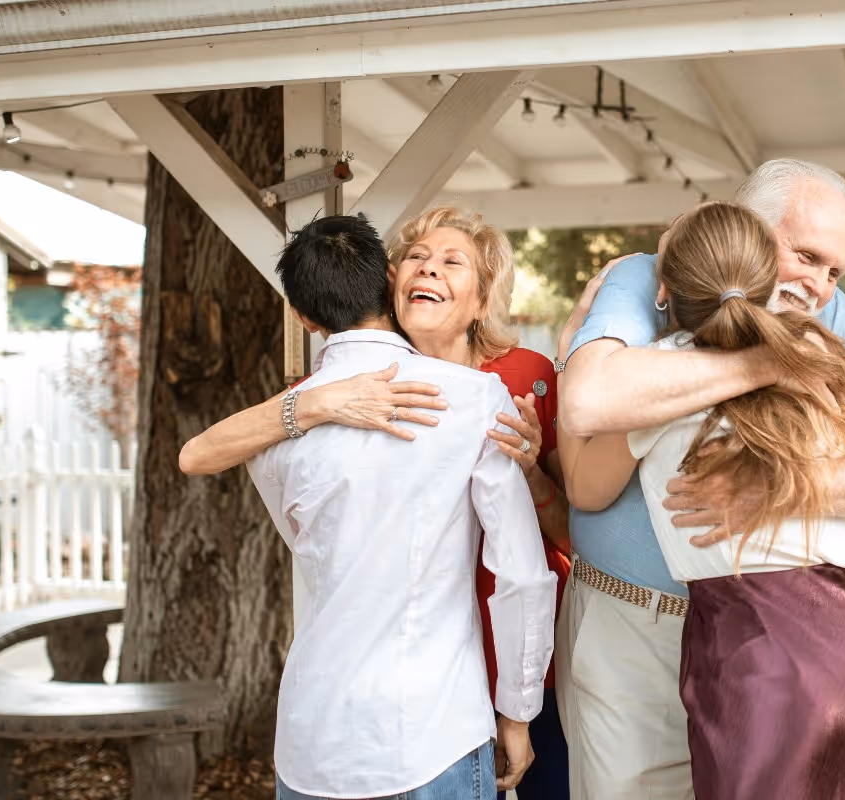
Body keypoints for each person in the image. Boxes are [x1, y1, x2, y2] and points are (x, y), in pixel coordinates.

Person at [553, 159, 845, 799]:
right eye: (806, 255)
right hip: (640, 630)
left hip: (759, 650)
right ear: (747, 228)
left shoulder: (831, 319)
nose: (819, 287)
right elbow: (589, 403)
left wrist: (768, 489)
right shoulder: (645, 277)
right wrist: (770, 360)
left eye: (835, 270)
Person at [179, 208, 572, 799]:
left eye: (450, 261)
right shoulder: (475, 401)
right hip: (434, 724)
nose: (429, 269)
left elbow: (301, 536)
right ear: (388, 281)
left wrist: (309, 406)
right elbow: (521, 574)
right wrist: (517, 713)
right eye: (419, 257)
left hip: (316, 733)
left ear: (300, 316)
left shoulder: (275, 429)